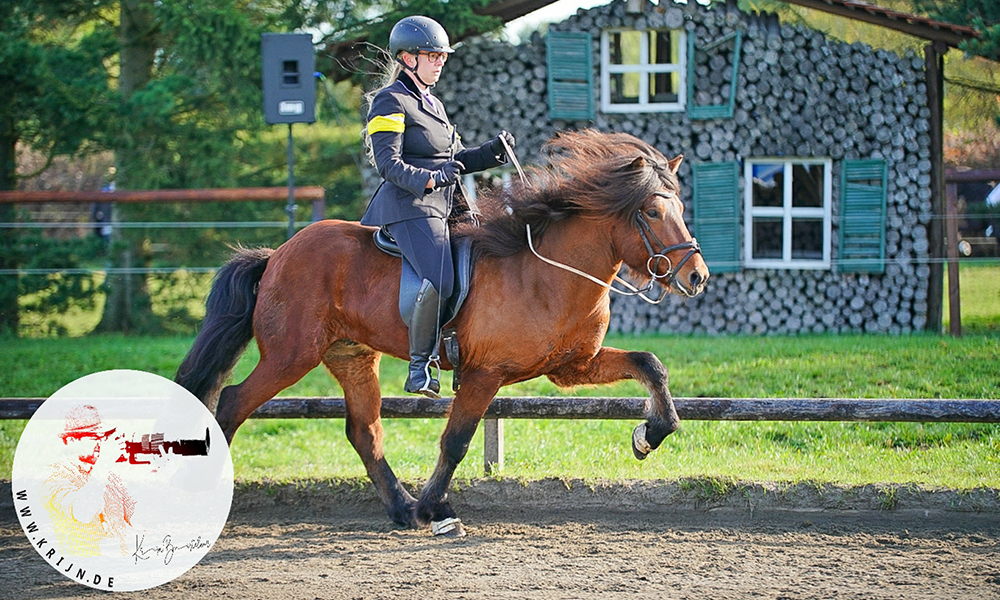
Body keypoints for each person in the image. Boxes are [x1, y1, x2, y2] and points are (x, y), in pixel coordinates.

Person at [362, 15, 515, 398]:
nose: (439, 62)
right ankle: (420, 368)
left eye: (442, 56)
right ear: (407, 58)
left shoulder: (433, 103)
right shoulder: (390, 100)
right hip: (410, 206)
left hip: (447, 205)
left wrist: (492, 153)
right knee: (442, 278)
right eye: (432, 56)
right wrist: (431, 179)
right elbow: (388, 164)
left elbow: (456, 158)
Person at [41, 405, 135, 556]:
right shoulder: (55, 478)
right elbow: (82, 513)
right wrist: (104, 466)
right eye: (93, 437)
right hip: (76, 561)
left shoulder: (96, 469)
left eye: (103, 438)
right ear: (71, 440)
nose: (100, 444)